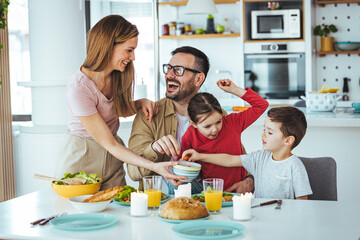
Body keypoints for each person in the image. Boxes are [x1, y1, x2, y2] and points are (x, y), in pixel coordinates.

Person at [55, 15, 185, 191]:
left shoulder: (117, 74)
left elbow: (114, 110)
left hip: (112, 156)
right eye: (129, 50)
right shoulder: (79, 88)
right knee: (79, 214)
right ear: (109, 46)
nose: (133, 57)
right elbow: (109, 143)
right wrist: (154, 166)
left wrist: (139, 103)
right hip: (83, 155)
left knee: (118, 210)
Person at [127, 46, 255, 194]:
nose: (169, 75)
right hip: (160, 202)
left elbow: (240, 158)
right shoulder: (148, 114)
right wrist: (154, 148)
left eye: (178, 70)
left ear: (198, 79)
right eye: (168, 68)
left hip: (210, 200)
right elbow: (133, 172)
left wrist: (249, 180)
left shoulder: (218, 116)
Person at [183, 107, 312, 200]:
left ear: (288, 140)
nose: (263, 134)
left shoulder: (294, 166)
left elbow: (302, 201)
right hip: (261, 216)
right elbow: (229, 160)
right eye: (264, 129)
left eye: (270, 132)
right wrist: (199, 156)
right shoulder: (260, 157)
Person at [180, 80, 269, 191]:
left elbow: (262, 105)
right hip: (211, 191)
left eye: (218, 122)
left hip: (240, 189)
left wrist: (234, 90)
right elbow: (186, 167)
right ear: (193, 124)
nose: (214, 130)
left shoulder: (233, 123)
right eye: (207, 126)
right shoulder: (189, 136)